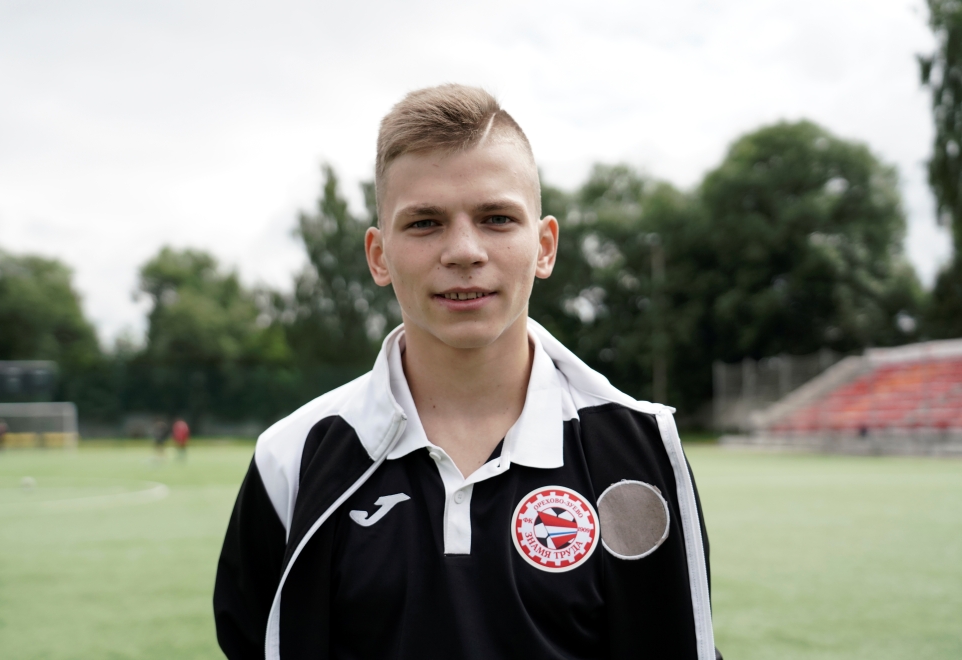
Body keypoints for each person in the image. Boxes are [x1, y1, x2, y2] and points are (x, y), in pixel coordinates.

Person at [214, 84, 720, 660]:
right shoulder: (293, 457)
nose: (463, 250)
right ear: (379, 255)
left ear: (545, 245)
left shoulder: (640, 451)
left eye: (497, 218)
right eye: (425, 223)